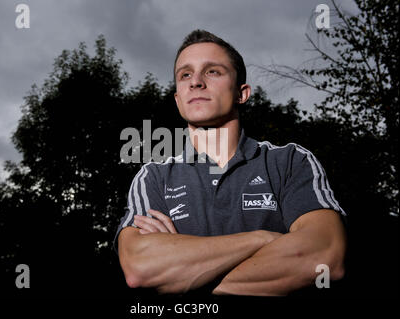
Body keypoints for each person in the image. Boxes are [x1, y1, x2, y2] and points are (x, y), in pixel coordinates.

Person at [114, 29, 347, 296]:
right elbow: (141, 268)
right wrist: (263, 238)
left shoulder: (290, 161)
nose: (196, 82)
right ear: (178, 99)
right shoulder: (154, 176)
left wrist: (186, 273)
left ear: (242, 93)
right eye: (185, 74)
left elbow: (324, 259)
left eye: (212, 71)